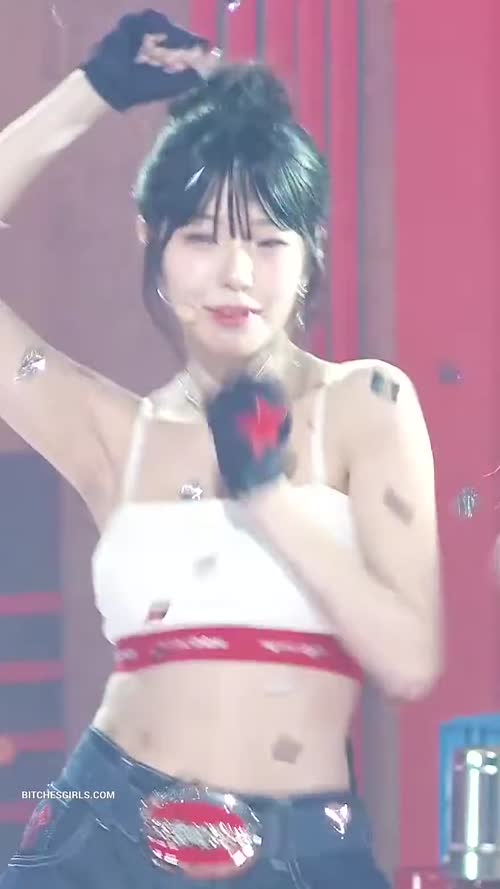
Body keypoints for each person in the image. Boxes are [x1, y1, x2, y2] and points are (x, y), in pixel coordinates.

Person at [0, 9, 442, 889]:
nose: (235, 273)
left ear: (309, 252)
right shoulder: (114, 431)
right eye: (201, 237)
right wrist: (91, 93)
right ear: (152, 242)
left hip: (299, 845)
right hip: (103, 837)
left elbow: (410, 658)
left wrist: (271, 499)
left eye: (268, 241)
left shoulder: (367, 404)